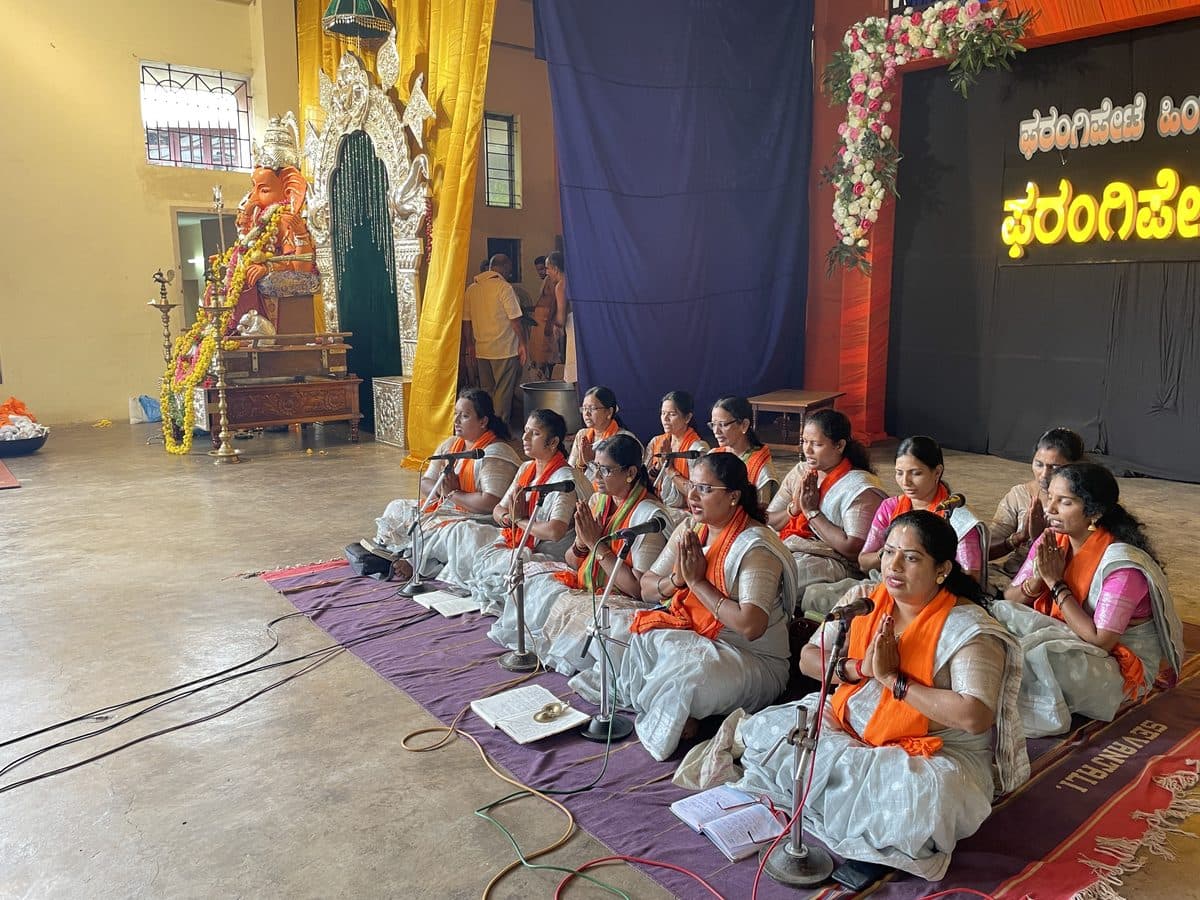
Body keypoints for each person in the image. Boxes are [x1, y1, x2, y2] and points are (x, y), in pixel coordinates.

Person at [730, 511, 1027, 881]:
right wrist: (859, 670)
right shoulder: (864, 599)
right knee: (772, 733)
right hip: (850, 720)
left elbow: (975, 716)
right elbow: (808, 660)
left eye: (912, 557)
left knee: (920, 802)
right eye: (888, 552)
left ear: (941, 570)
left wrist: (894, 681)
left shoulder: (967, 629)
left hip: (932, 749)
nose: (894, 565)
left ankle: (861, 824)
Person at [569, 452, 798, 761]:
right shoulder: (692, 528)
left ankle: (691, 714)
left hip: (749, 658)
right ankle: (694, 714)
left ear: (733, 496)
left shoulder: (755, 547)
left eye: (704, 488)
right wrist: (677, 579)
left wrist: (697, 583)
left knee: (687, 677)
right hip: (694, 636)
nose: (690, 495)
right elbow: (648, 587)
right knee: (615, 633)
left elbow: (750, 626)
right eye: (692, 485)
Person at [992, 462, 1183, 737]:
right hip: (1068, 637)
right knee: (996, 614)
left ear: (1093, 511)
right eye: (1051, 498)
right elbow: (1010, 599)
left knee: (1039, 657)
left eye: (1065, 502)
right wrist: (1039, 578)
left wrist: (1056, 583)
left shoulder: (1121, 566)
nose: (1051, 509)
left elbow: (1100, 641)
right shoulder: (1053, 539)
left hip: (1119, 667)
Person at [489, 433, 670, 670]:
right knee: (536, 584)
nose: (595, 476)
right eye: (595, 466)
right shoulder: (599, 501)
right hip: (590, 587)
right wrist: (583, 544)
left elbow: (637, 589)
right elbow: (572, 561)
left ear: (631, 473)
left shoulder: (647, 516)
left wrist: (597, 546)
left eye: (605, 470)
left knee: (593, 619)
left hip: (623, 600)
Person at [372, 388, 521, 574]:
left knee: (453, 533)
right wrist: (443, 491)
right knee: (397, 507)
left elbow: (490, 502)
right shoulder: (451, 444)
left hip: (479, 520)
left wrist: (454, 494)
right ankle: (397, 553)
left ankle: (416, 564)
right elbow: (426, 481)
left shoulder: (495, 453)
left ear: (483, 421)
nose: (457, 421)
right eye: (456, 414)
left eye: (465, 416)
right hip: (446, 508)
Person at [463, 409, 594, 614]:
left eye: (534, 433)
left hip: (551, 555)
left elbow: (554, 532)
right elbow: (499, 509)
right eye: (525, 431)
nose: (524, 438)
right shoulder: (526, 468)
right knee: (478, 554)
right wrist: (509, 518)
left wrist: (520, 520)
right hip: (522, 544)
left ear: (552, 442)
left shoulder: (563, 479)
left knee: (510, 572)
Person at [766, 409, 885, 605]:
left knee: (774, 584)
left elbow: (853, 549)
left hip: (833, 560)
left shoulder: (859, 488)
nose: (807, 450)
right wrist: (794, 509)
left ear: (839, 445)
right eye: (804, 442)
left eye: (817, 444)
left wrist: (812, 513)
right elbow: (769, 519)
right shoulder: (801, 472)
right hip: (790, 545)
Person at [858, 436, 988, 588]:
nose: (905, 481)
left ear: (937, 472)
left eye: (915, 473)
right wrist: (889, 553)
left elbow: (970, 578)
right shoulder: (890, 508)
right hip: (891, 585)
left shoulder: (957, 519)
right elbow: (863, 562)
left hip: (938, 594)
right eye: (899, 473)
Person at [988, 427, 1086, 588]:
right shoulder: (1019, 495)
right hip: (1013, 576)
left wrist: (1041, 539)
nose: (1044, 474)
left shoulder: (1085, 502)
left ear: (1075, 467)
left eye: (1055, 467)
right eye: (1039, 464)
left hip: (1062, 581)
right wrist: (1019, 538)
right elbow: (984, 550)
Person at [462, 254, 528, 427]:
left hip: (482, 349)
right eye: (509, 269)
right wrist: (522, 344)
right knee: (503, 392)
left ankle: (485, 428)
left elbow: (466, 321)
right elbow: (515, 320)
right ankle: (499, 429)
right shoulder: (504, 287)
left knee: (488, 391)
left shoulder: (472, 289)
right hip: (504, 349)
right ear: (505, 267)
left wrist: (470, 345)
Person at [644, 390, 710, 521]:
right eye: (663, 413)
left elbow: (699, 493)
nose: (665, 419)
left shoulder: (697, 448)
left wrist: (669, 468)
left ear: (687, 418)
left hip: (686, 513)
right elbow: (644, 483)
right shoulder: (656, 442)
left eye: (672, 414)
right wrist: (658, 468)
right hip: (658, 504)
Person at [708, 396, 778, 507]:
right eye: (713, 425)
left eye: (722, 424)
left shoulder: (760, 468)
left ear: (744, 425)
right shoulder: (713, 455)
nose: (716, 431)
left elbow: (761, 511)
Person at [569, 385, 638, 488]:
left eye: (592, 408)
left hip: (612, 493)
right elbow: (570, 472)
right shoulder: (582, 435)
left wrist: (590, 461)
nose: (586, 414)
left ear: (609, 412)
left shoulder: (623, 438)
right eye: (584, 408)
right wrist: (582, 464)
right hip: (582, 493)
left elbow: (621, 477)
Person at [544, 251, 575, 384]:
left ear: (555, 269)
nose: (546, 272)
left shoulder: (561, 285)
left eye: (548, 268)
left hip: (573, 327)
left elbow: (561, 318)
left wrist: (554, 326)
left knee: (573, 369)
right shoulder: (575, 280)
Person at [529, 254, 556, 377]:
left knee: (546, 355)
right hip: (539, 321)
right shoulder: (546, 280)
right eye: (538, 270)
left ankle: (547, 380)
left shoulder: (551, 280)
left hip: (545, 321)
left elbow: (553, 302)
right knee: (538, 355)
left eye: (542, 269)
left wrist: (549, 323)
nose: (540, 272)